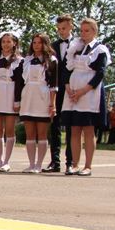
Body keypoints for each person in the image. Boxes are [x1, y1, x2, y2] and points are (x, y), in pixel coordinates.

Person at [62, 17, 110, 176]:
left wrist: (83, 91)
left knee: (88, 130)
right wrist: (69, 88)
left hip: (89, 93)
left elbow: (100, 74)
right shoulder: (75, 47)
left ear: (94, 31)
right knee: (74, 129)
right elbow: (67, 69)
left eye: (87, 30)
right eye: (81, 30)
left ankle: (88, 165)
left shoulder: (100, 49)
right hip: (72, 92)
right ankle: (74, 164)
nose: (83, 34)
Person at [18, 33, 58, 173]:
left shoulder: (52, 60)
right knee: (30, 133)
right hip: (28, 95)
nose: (36, 45)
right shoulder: (27, 60)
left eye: (39, 43)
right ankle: (31, 163)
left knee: (41, 133)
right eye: (34, 42)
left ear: (45, 44)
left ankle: (39, 164)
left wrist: (52, 104)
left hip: (43, 95)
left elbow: (54, 85)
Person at [0, 31, 23, 172]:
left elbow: (19, 82)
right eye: (3, 41)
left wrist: (17, 100)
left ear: (14, 43)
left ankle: (7, 161)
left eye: (9, 41)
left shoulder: (19, 61)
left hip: (11, 93)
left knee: (9, 129)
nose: (6, 44)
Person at [45, 15, 75, 173]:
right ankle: (54, 161)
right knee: (54, 124)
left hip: (72, 89)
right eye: (58, 29)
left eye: (63, 28)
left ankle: (70, 161)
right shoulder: (53, 46)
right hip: (56, 89)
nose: (61, 31)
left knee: (70, 125)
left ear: (71, 26)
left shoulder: (79, 44)